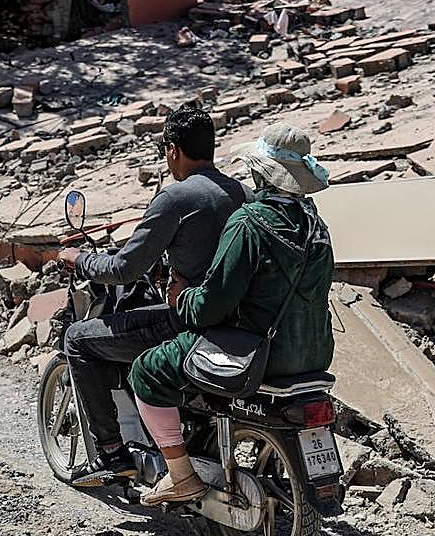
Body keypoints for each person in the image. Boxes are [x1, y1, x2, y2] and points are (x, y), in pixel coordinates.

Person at [127, 123, 335, 505]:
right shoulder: (316, 227)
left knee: (146, 370)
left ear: (261, 173)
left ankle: (181, 475)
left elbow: (212, 304)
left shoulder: (249, 223)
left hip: (259, 356)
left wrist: (181, 298)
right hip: (314, 354)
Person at [60, 105, 246, 487]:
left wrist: (81, 260)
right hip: (238, 319)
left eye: (166, 151)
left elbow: (124, 269)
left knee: (77, 340)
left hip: (189, 320)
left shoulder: (175, 198)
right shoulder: (242, 192)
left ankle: (111, 455)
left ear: (172, 151)